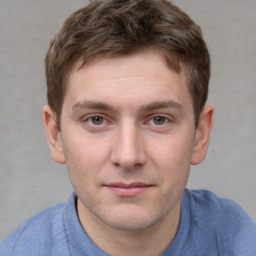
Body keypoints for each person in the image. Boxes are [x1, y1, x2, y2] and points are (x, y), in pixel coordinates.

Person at [0, 0, 255, 255]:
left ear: (200, 134)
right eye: (96, 120)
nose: (128, 156)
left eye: (159, 119)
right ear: (56, 135)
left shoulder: (240, 240)